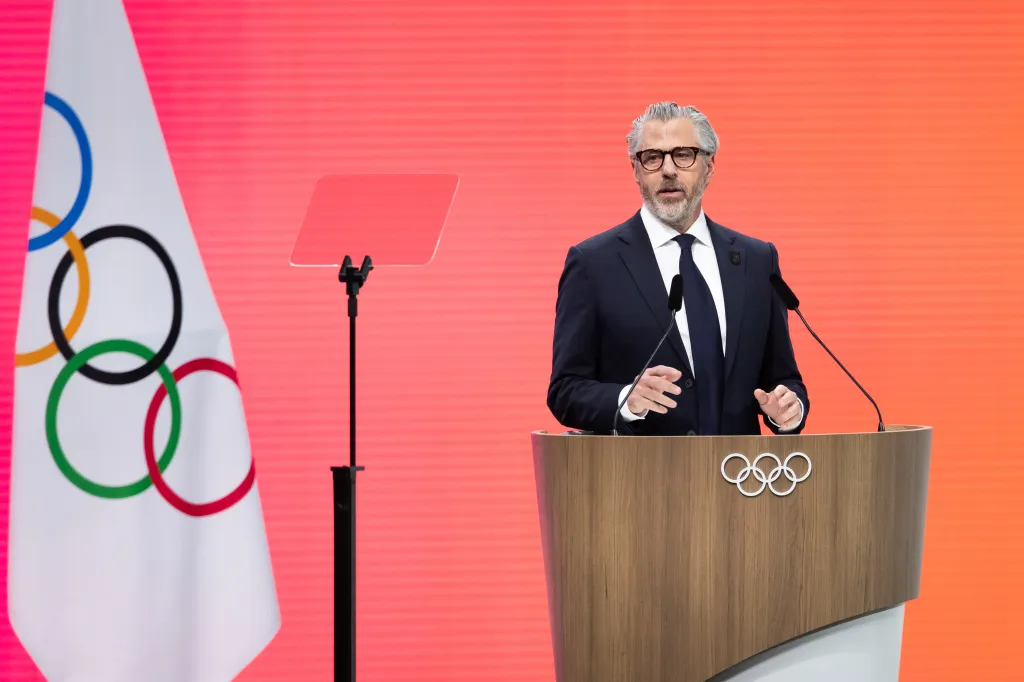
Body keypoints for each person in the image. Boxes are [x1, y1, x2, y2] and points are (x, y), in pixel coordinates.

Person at [546, 102, 809, 436]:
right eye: (653, 157)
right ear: (635, 170)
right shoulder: (593, 263)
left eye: (683, 154)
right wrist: (627, 399)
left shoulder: (757, 260)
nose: (668, 169)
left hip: (741, 479)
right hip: (640, 481)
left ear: (709, 166)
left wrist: (789, 408)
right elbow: (565, 391)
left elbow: (783, 378)